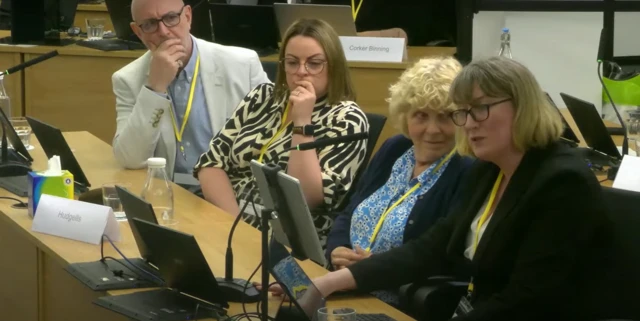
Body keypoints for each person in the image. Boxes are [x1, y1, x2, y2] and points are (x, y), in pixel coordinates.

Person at [268, 56, 610, 320]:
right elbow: (429, 249)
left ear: (522, 106)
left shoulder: (561, 183)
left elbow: (527, 299)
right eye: (463, 112)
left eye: (480, 109)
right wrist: (327, 283)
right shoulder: (490, 170)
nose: (468, 124)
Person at [194, 19, 369, 236]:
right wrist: (234, 227)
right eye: (292, 62)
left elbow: (305, 198)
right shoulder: (263, 97)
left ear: (333, 66)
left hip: (287, 237)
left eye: (314, 63)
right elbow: (211, 163)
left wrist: (302, 122)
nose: (301, 72)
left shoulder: (347, 119)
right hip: (227, 219)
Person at [324, 57, 472, 305]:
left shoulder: (466, 168)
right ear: (405, 116)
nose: (432, 129)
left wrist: (369, 270)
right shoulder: (395, 148)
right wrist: (336, 249)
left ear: (462, 118)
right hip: (342, 287)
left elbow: (435, 255)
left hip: (392, 302)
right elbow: (349, 210)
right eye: (421, 115)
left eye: (445, 116)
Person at [111, 0, 270, 191]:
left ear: (187, 16)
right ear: (138, 31)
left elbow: (274, 139)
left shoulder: (243, 65)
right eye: (150, 24)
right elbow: (130, 158)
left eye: (171, 18)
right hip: (173, 195)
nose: (163, 31)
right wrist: (155, 89)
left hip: (233, 193)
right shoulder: (127, 79)